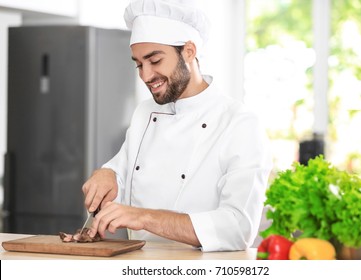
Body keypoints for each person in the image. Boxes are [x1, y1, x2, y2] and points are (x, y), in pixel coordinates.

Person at [82, 0, 273, 252]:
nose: (146, 76)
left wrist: (143, 217)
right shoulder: (145, 113)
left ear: (189, 51)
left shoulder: (239, 123)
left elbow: (238, 228)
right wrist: (107, 173)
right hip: (138, 265)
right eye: (139, 64)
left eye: (155, 60)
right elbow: (122, 171)